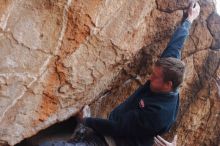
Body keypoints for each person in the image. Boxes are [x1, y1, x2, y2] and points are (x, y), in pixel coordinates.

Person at [76, 2, 200, 146]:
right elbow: (176, 45)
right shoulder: (170, 70)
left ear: (168, 84)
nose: (150, 78)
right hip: (121, 127)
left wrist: (86, 121)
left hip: (118, 141)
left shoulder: (159, 113)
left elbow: (118, 127)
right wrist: (189, 19)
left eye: (155, 77)